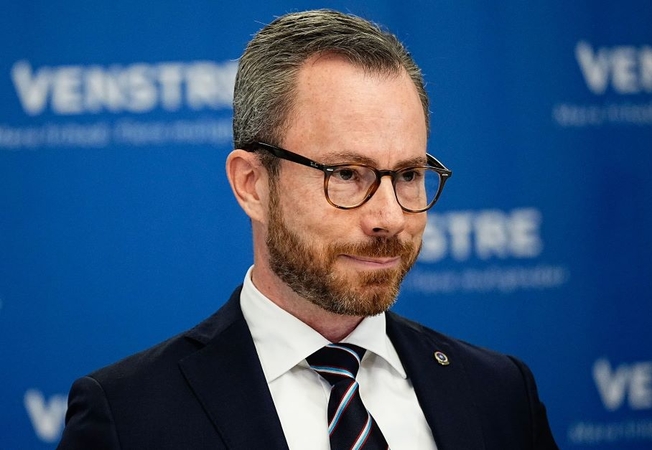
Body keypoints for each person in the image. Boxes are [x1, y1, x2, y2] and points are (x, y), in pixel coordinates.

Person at [58, 9, 558, 449]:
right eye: (346, 174)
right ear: (252, 184)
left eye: (408, 175)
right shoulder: (130, 416)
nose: (389, 217)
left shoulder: (499, 392)